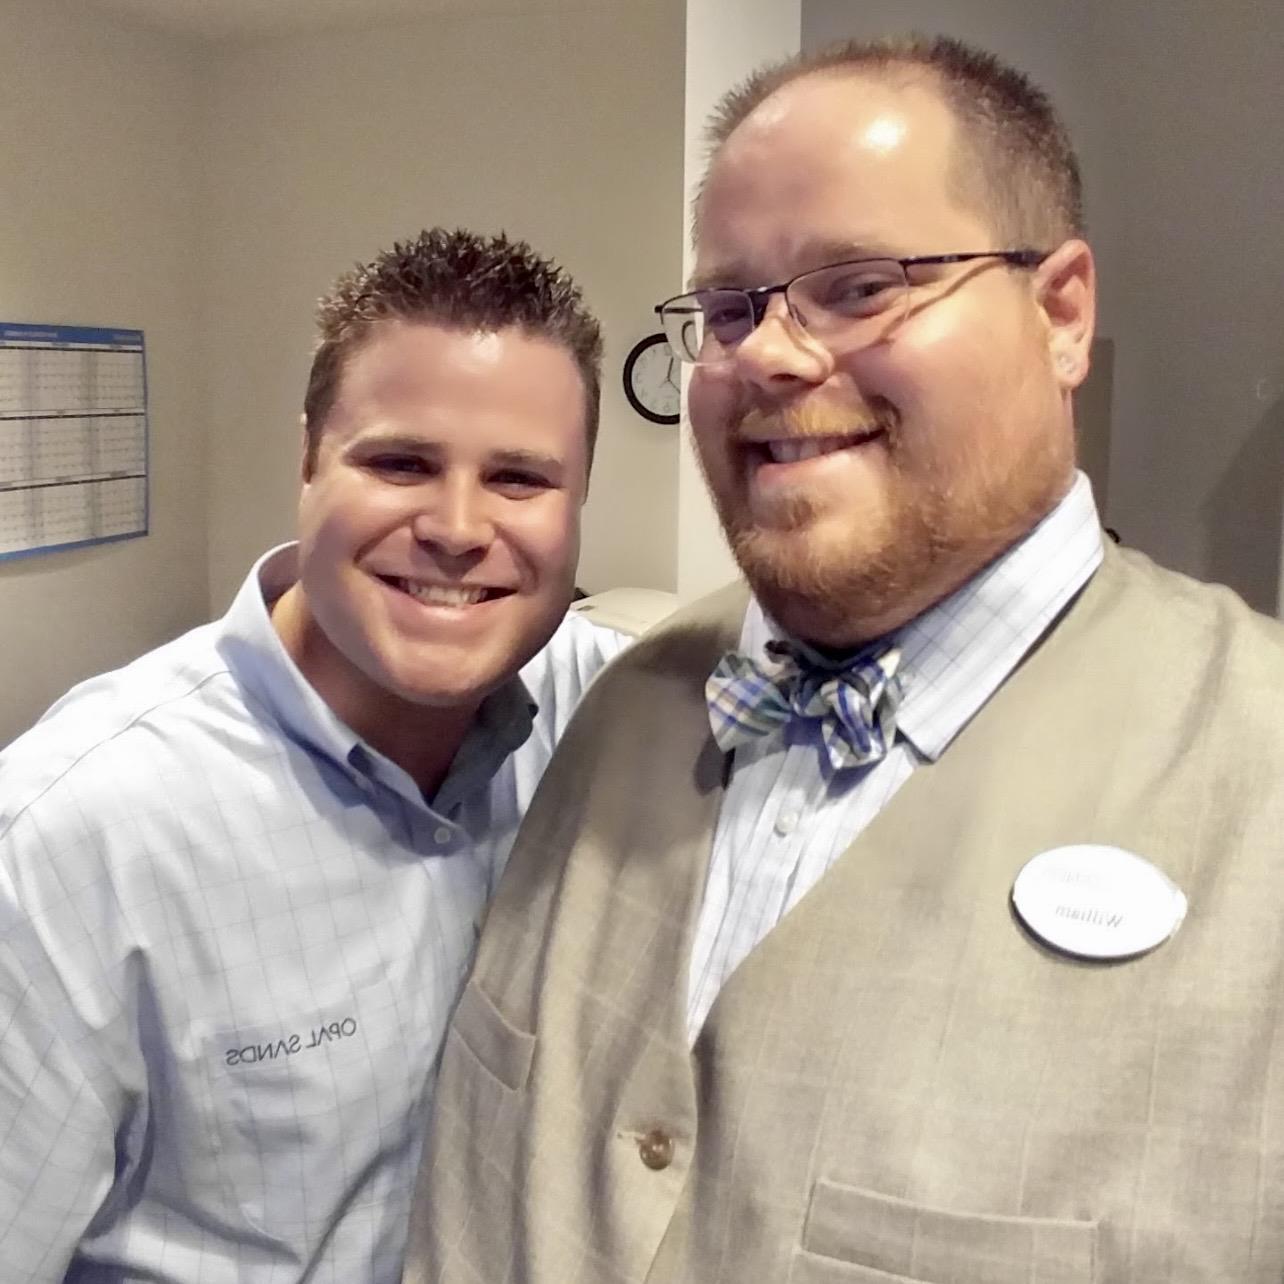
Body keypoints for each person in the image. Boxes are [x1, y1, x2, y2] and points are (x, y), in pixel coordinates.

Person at [405, 35, 1284, 1284]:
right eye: (725, 308)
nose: (765, 353)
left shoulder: (1262, 782)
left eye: (864, 285)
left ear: (1062, 314)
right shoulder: (622, 702)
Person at [0, 227, 628, 1282]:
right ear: (306, 460)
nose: (460, 528)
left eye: (520, 478)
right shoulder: (69, 840)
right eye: (400, 462)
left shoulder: (605, 720)